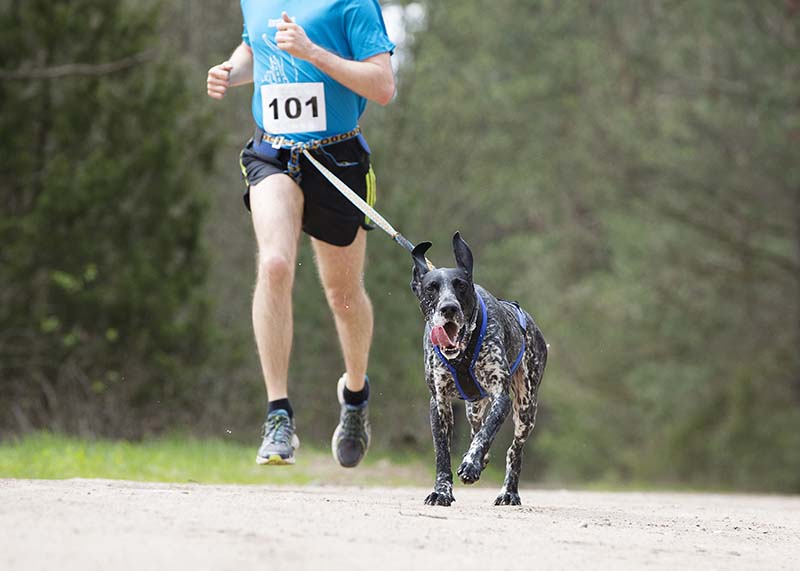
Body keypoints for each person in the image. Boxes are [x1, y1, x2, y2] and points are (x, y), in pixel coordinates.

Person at [206, 1, 395, 467]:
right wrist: (231, 70)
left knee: (343, 295)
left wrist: (314, 53)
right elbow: (256, 47)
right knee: (273, 265)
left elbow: (383, 85)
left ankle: (355, 395)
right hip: (273, 153)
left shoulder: (352, 4)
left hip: (338, 159)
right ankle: (278, 415)